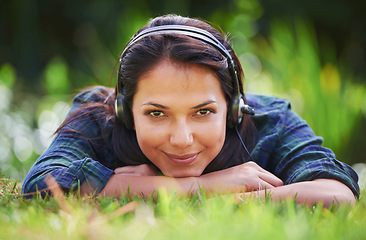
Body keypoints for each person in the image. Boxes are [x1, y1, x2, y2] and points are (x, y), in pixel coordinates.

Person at [22, 14, 359, 207]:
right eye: (156, 113)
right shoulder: (98, 114)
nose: (182, 139)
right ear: (125, 111)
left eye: (203, 112)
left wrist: (232, 200)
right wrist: (206, 186)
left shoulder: (272, 122)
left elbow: (336, 193)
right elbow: (43, 184)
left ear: (233, 108)